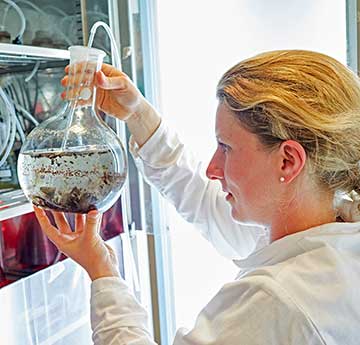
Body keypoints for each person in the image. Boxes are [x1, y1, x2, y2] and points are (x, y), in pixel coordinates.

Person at [34, 50, 360, 344]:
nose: (212, 169)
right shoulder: (335, 234)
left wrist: (102, 274)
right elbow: (207, 205)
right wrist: (137, 114)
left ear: (288, 161)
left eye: (226, 147)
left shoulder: (277, 300)